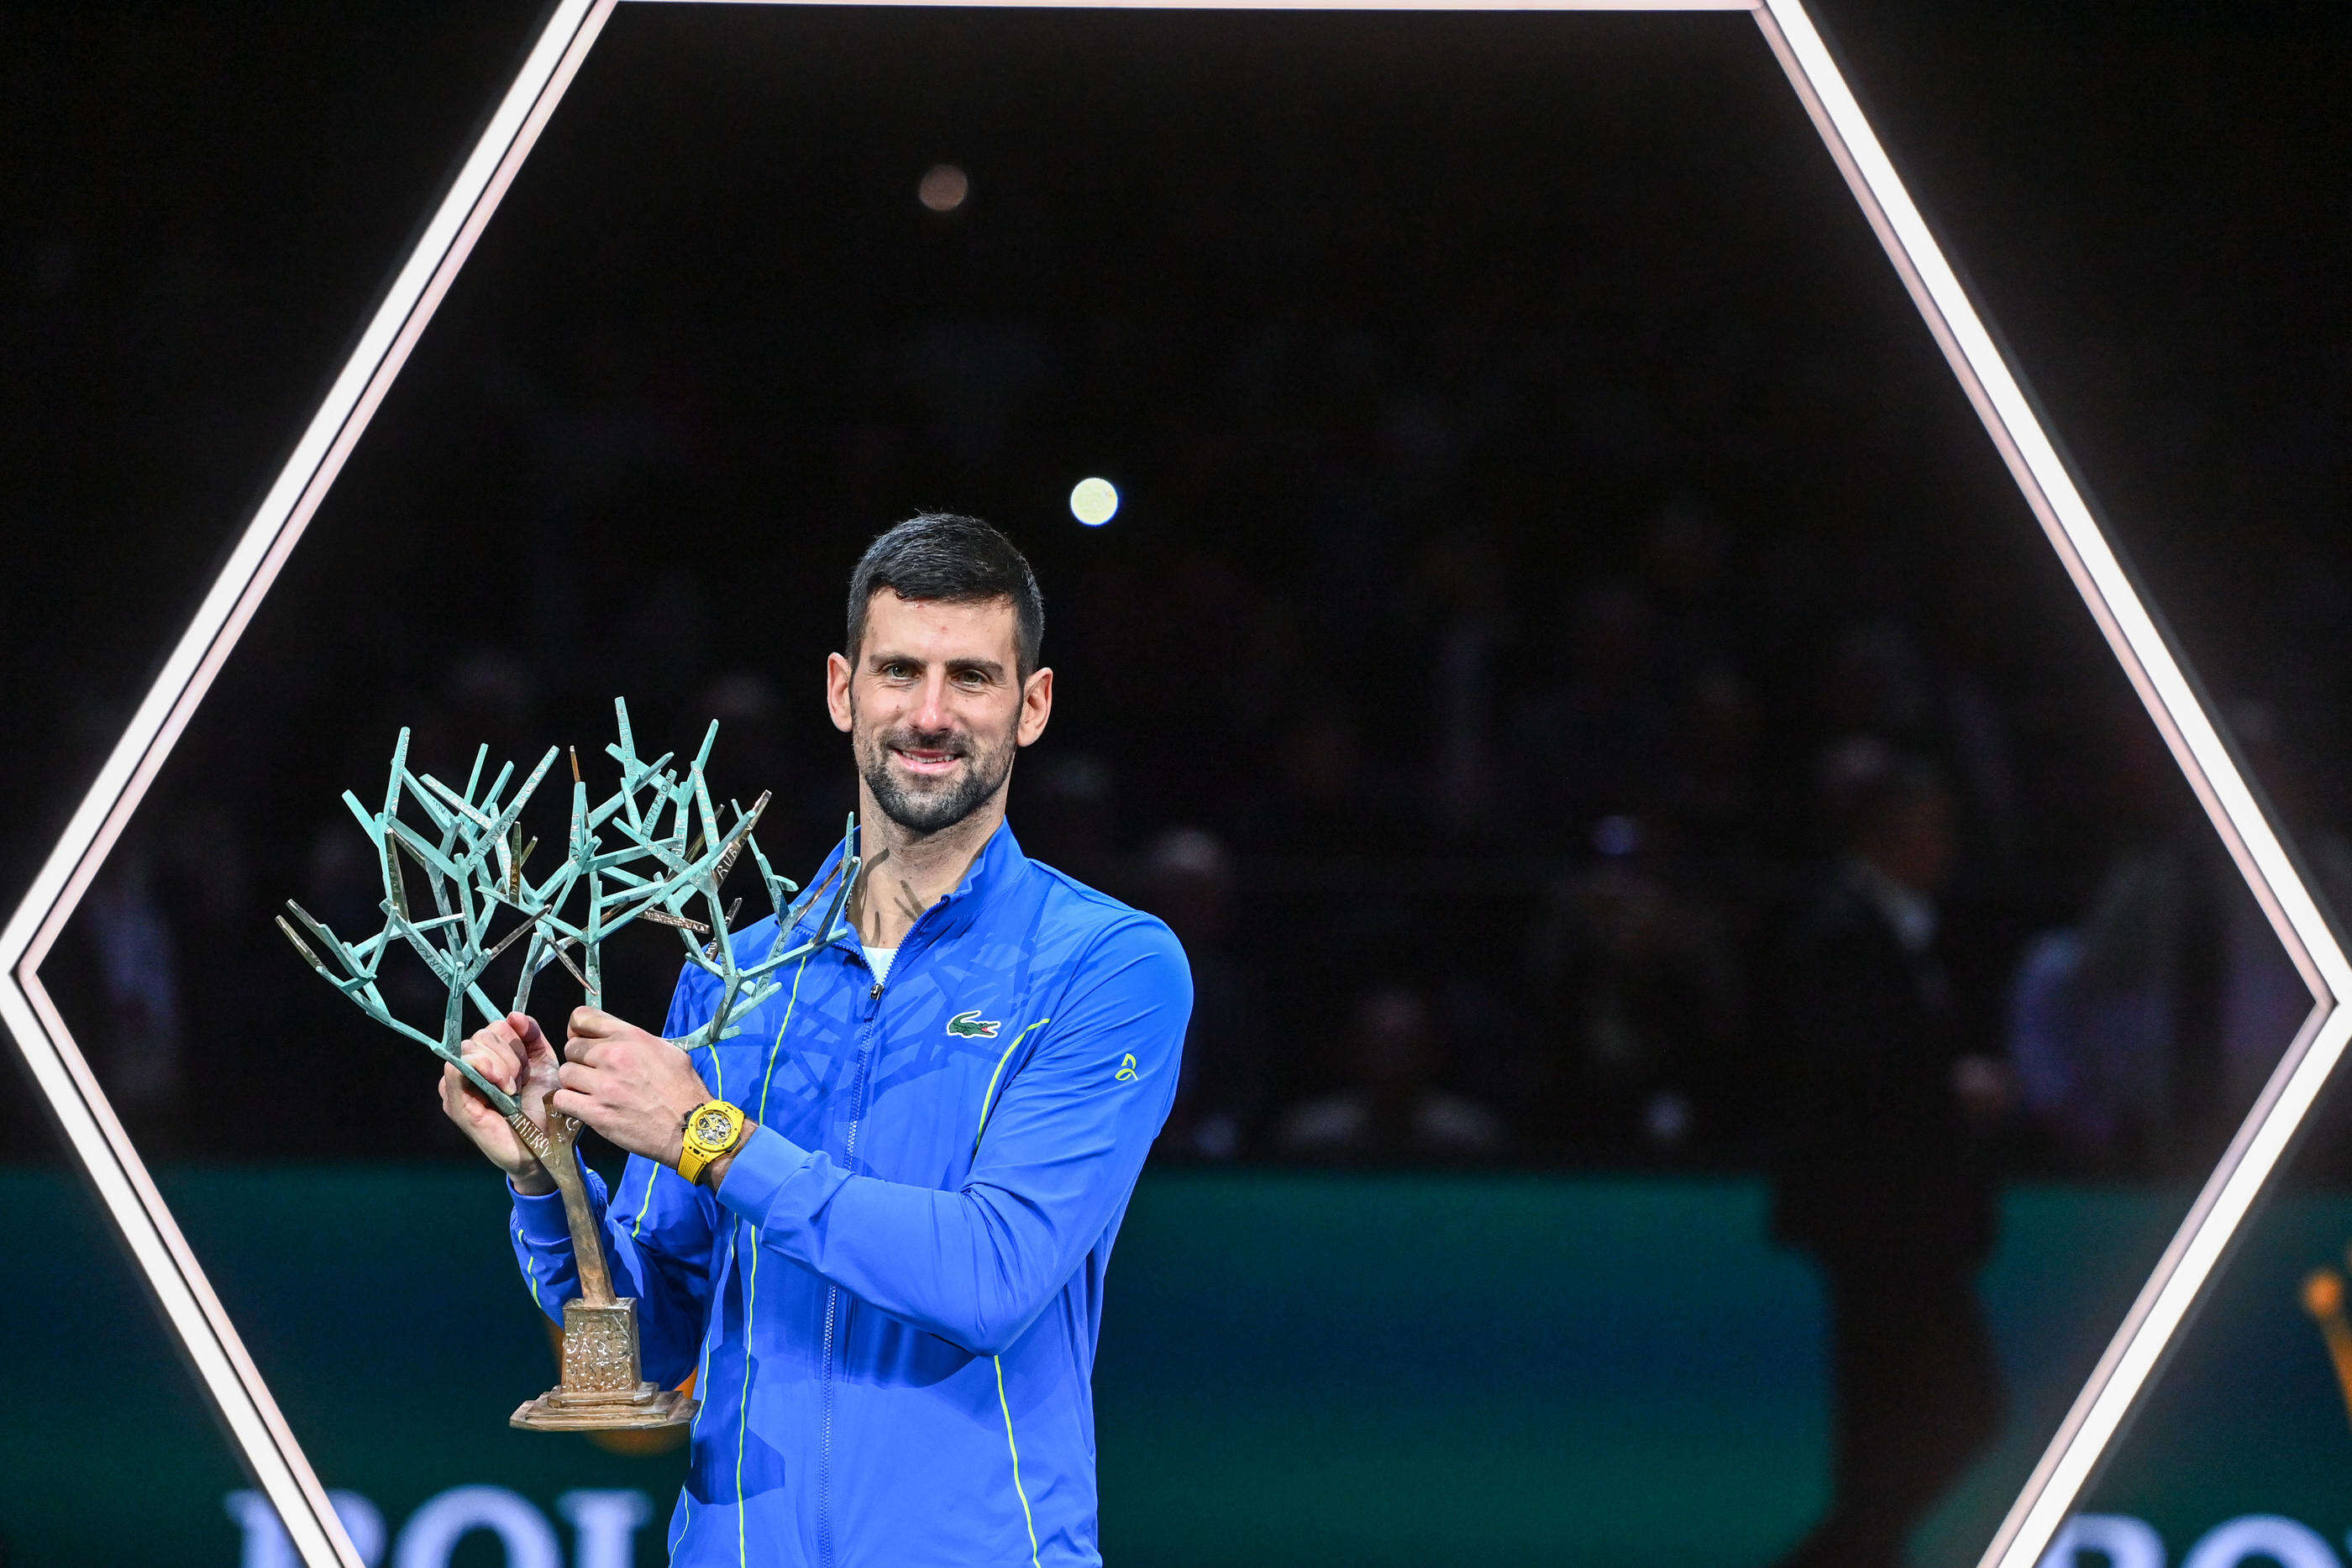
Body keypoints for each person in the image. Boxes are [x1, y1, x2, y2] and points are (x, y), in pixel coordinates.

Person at [439, 514, 1193, 1567]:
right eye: (898, 672)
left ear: (1033, 706)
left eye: (970, 677)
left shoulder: (1107, 966)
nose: (929, 715)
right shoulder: (735, 976)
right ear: (843, 690)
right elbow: (647, 1345)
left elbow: (992, 1276)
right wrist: (545, 1182)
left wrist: (708, 1136)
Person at [1769, 738, 2011, 1568]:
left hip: (1904, 1231)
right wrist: (1953, 1090)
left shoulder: (1893, 930)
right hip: (1882, 1233)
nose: (1944, 848)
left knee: (1903, 1440)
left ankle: (1858, 1553)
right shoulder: (1842, 930)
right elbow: (1846, 1070)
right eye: (1929, 829)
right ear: (1885, 836)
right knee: (1938, 1420)